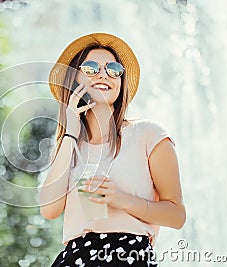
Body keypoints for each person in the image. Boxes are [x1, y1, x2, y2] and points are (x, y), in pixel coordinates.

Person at [39, 33, 186, 266]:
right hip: (75, 258)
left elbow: (177, 216)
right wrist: (69, 132)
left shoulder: (149, 134)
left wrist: (122, 199)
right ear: (75, 80)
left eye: (113, 69)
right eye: (90, 68)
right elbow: (49, 209)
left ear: (121, 81)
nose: (103, 74)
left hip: (128, 256)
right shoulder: (70, 146)